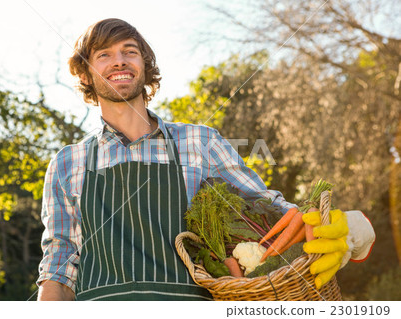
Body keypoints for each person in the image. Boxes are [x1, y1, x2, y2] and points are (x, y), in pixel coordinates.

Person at [36, 18, 375, 301]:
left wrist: (339, 224)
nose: (120, 61)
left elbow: (265, 210)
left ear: (144, 65)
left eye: (130, 51)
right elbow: (59, 263)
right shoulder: (68, 163)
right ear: (85, 73)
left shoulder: (199, 141)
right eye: (104, 55)